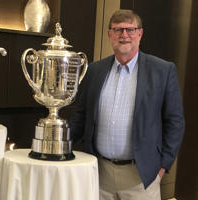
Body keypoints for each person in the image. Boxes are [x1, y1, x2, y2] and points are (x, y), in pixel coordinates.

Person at [69, 9, 185, 200]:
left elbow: (175, 122)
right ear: (109, 35)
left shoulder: (162, 71)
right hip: (100, 175)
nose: (124, 35)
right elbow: (81, 116)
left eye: (130, 30)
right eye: (118, 30)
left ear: (140, 33)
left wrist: (162, 167)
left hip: (141, 178)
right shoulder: (94, 70)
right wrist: (59, 149)